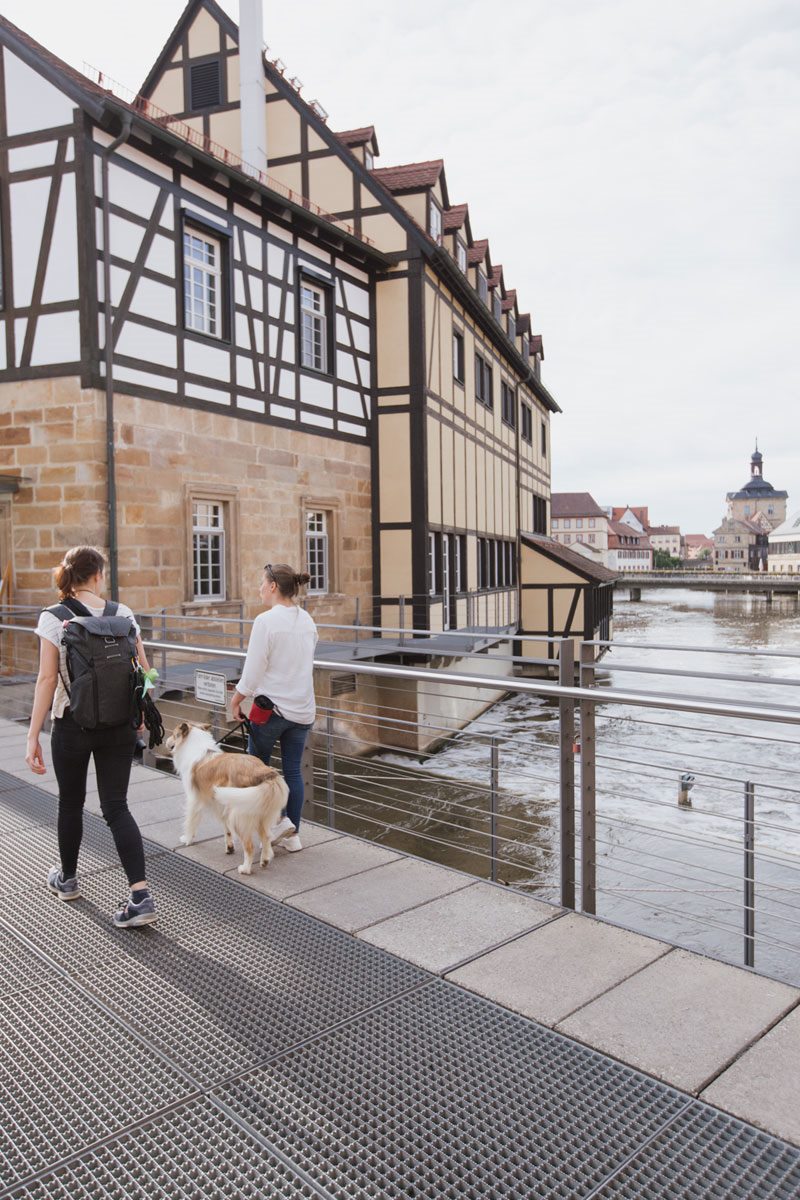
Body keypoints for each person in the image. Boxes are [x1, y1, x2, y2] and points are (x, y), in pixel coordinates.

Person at [25, 545, 157, 927]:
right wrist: (143, 712)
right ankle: (140, 896)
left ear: (68, 577)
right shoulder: (123, 614)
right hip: (118, 725)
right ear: (99, 575)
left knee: (70, 802)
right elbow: (145, 671)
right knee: (116, 807)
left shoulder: (53, 617)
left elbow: (47, 679)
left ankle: (67, 879)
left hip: (71, 723)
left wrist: (33, 735)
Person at [230, 563, 318, 852]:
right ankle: (292, 836)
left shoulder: (265, 621)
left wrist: (237, 699)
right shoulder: (307, 620)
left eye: (261, 583)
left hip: (272, 712)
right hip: (302, 710)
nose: (258, 589)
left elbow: (254, 671)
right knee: (292, 771)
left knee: (256, 770)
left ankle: (278, 822)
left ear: (272, 587)